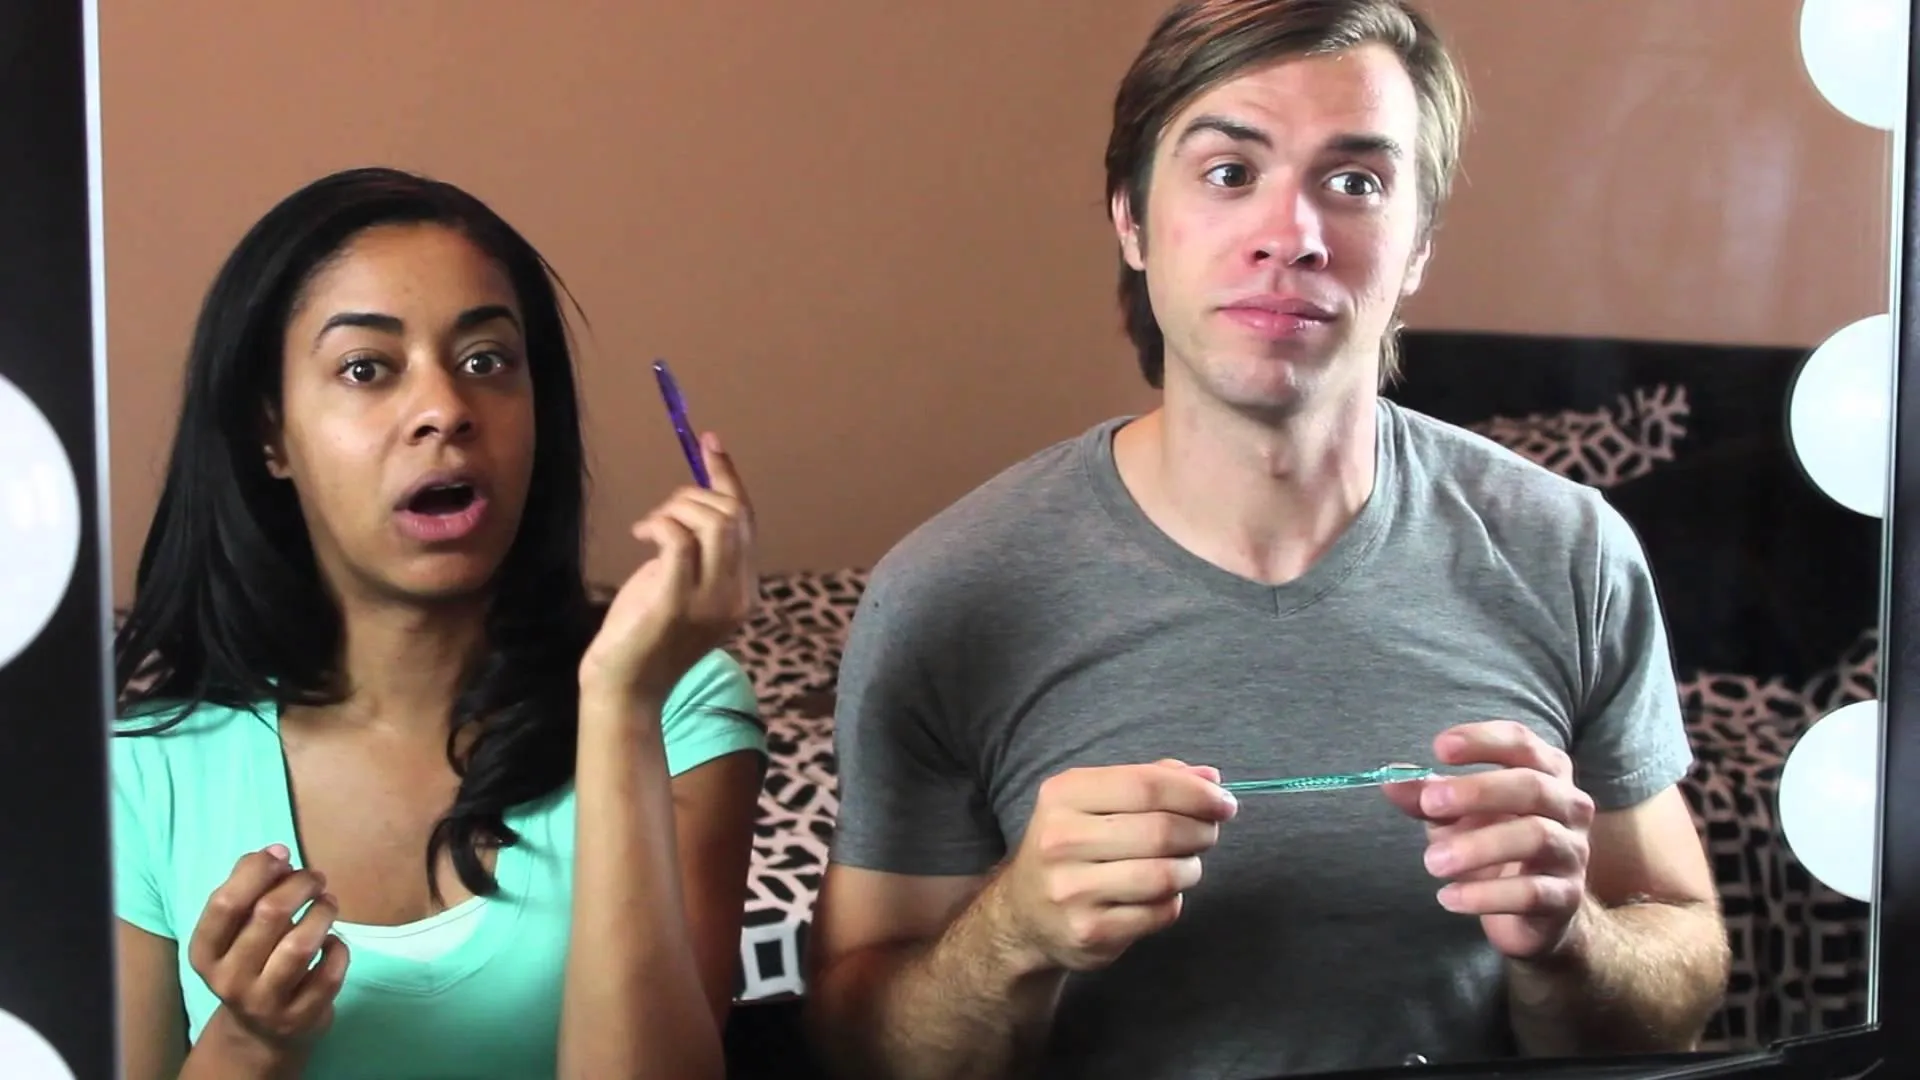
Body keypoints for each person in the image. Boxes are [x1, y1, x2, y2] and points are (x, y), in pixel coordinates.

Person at [803, 1, 1730, 1077]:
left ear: (1418, 248)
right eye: (1230, 172)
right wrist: (1011, 937)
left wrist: (1572, 940)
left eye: (1356, 183)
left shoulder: (1567, 552)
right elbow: (853, 1045)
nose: (1291, 233)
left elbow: (1684, 980)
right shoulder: (945, 592)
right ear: (1131, 221)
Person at [110, 167, 766, 1079]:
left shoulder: (677, 703)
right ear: (270, 433)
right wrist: (251, 1040)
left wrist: (618, 703)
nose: (447, 411)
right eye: (366, 368)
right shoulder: (142, 779)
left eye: (488, 361)